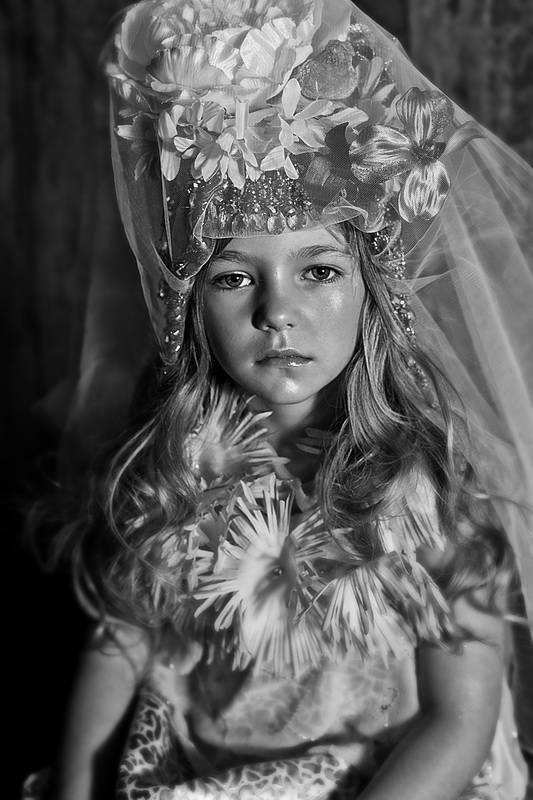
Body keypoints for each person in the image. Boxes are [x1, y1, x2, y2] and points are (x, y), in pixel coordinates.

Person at [23, 0, 533, 799]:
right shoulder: (178, 467)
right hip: (205, 775)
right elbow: (119, 644)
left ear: (375, 291)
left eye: (319, 271)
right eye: (232, 277)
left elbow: (457, 720)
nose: (276, 312)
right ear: (188, 306)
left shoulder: (428, 489)